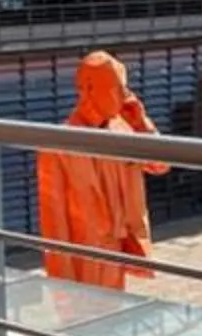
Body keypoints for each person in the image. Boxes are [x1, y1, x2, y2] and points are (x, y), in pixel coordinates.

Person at [36, 50, 169, 288]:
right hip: (83, 254)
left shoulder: (125, 130)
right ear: (88, 90)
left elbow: (160, 165)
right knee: (87, 319)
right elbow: (54, 225)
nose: (125, 96)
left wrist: (141, 122)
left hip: (118, 249)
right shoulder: (59, 146)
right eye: (116, 88)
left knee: (112, 317)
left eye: (124, 88)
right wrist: (62, 291)